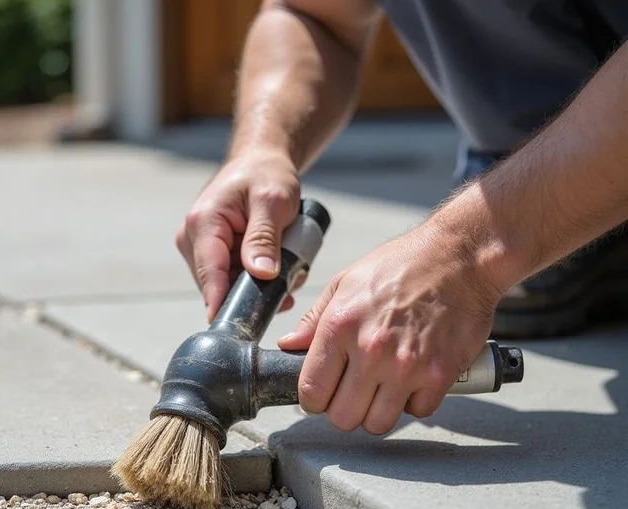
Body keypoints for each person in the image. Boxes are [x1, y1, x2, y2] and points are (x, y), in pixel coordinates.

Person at [175, 1, 628, 435]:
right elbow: (313, 15)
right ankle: (565, 220)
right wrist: (263, 147)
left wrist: (464, 253)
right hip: (515, 158)